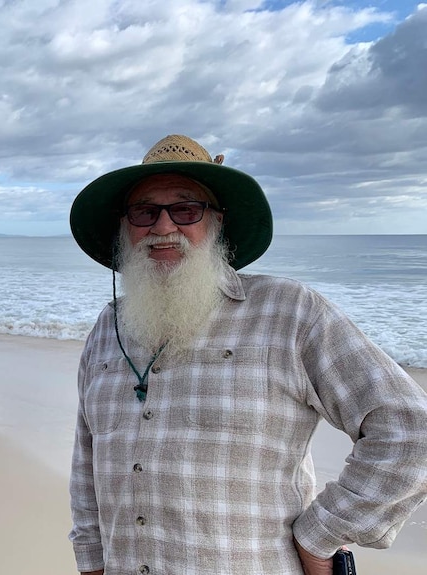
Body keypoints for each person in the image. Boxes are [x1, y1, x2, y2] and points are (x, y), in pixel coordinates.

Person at [67, 134, 427, 575]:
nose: (162, 227)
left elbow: (411, 428)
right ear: (125, 227)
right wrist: (91, 563)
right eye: (144, 212)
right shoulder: (109, 328)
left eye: (185, 209)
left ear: (217, 222)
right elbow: (87, 466)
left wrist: (321, 536)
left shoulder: (290, 311)